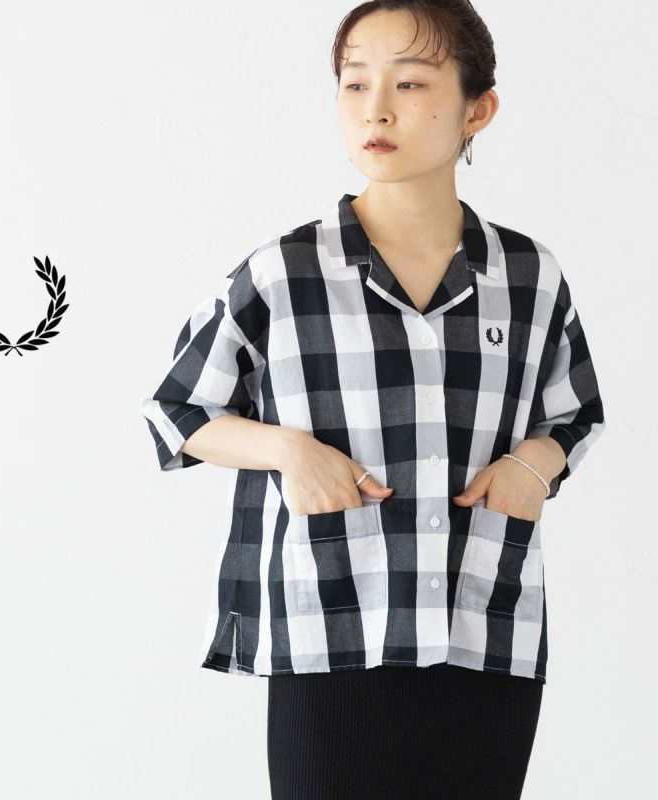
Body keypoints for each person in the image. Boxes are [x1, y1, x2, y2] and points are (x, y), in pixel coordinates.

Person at [140, 1, 606, 797]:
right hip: (330, 630)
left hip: (483, 628)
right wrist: (288, 451)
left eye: (410, 83)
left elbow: (574, 412)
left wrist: (534, 465)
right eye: (355, 83)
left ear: (478, 110)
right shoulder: (283, 273)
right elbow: (176, 411)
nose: (375, 108)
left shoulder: (529, 275)